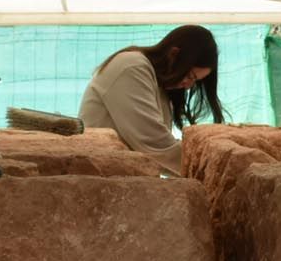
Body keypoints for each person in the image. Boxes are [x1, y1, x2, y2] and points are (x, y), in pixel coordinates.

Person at [77, 25, 225, 174]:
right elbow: (153, 143)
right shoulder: (132, 66)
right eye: (190, 76)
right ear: (173, 55)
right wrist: (210, 169)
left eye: (195, 81)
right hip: (99, 176)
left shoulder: (161, 87)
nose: (188, 85)